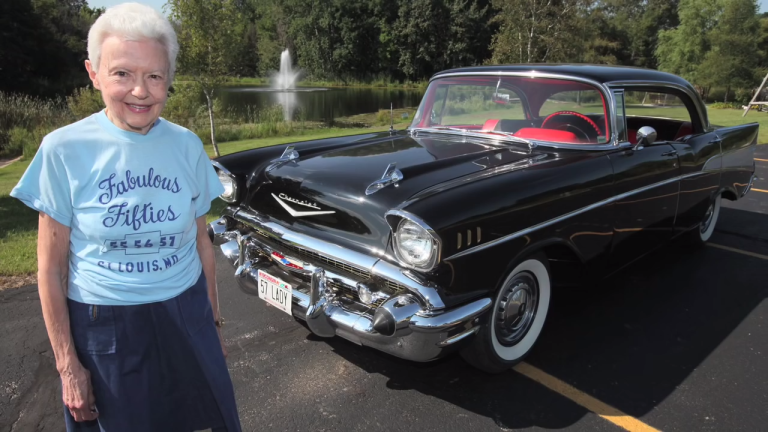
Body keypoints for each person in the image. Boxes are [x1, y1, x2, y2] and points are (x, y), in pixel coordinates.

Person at [10, 3, 241, 431]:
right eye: (122, 74)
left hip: (186, 313)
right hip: (107, 326)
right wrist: (68, 366)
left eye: (154, 76)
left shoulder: (186, 145)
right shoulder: (63, 149)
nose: (141, 91)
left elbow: (201, 244)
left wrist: (212, 327)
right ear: (93, 73)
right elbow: (49, 269)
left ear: (168, 80)